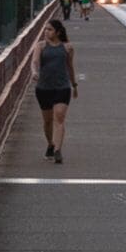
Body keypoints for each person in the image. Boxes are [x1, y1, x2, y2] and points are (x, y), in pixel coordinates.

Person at [34, 21, 76, 164]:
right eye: (45, 29)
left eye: (50, 30)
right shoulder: (40, 46)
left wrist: (74, 85)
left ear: (58, 32)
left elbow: (70, 67)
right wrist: (34, 72)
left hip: (62, 87)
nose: (46, 32)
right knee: (47, 121)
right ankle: (51, 144)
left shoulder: (67, 48)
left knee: (59, 117)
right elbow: (34, 62)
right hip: (43, 88)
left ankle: (58, 150)